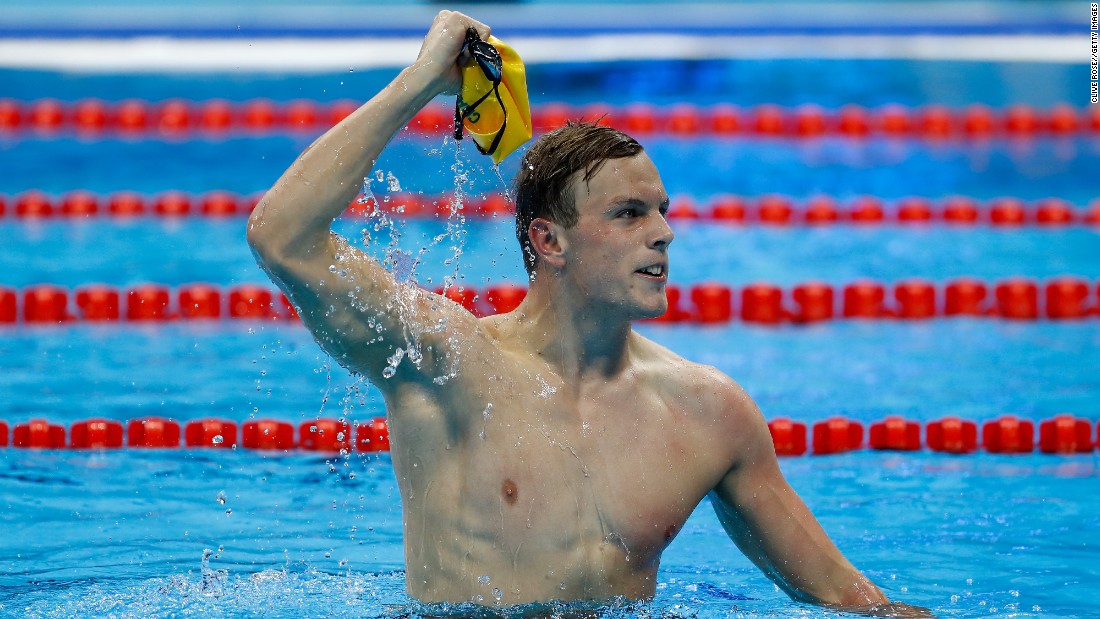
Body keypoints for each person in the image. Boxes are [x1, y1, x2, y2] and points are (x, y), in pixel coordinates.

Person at [246, 10, 931, 617]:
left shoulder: (709, 413)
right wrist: (421, 82)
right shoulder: (446, 360)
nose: (662, 232)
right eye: (630, 215)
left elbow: (847, 598)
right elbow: (282, 235)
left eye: (662, 211)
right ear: (549, 240)